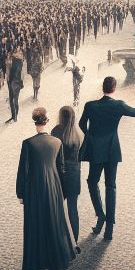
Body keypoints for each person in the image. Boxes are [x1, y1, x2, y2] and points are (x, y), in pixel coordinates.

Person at [78, 76, 135, 242]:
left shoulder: (90, 106)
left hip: (96, 151)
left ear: (103, 87)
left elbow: (81, 124)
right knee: (111, 186)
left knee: (92, 182)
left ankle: (100, 215)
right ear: (114, 88)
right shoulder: (118, 105)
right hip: (112, 150)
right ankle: (109, 228)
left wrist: (91, 135)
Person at [16, 107, 77, 270]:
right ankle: (55, 258)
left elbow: (23, 170)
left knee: (35, 223)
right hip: (54, 186)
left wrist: (20, 193)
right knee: (54, 221)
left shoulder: (28, 143)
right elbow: (61, 168)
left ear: (35, 122)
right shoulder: (57, 142)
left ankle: (35, 262)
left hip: (34, 187)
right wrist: (62, 191)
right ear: (47, 122)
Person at [50, 104, 83, 250]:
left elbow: (52, 154)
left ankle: (57, 241)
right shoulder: (77, 134)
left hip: (60, 174)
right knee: (72, 208)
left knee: (56, 208)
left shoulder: (56, 131)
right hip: (75, 173)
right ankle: (74, 242)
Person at [7, 47, 26, 123]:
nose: (18, 54)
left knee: (15, 100)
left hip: (16, 82)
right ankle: (13, 116)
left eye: (20, 53)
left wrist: (18, 82)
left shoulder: (19, 62)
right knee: (11, 100)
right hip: (11, 82)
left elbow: (20, 73)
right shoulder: (13, 60)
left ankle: (15, 117)